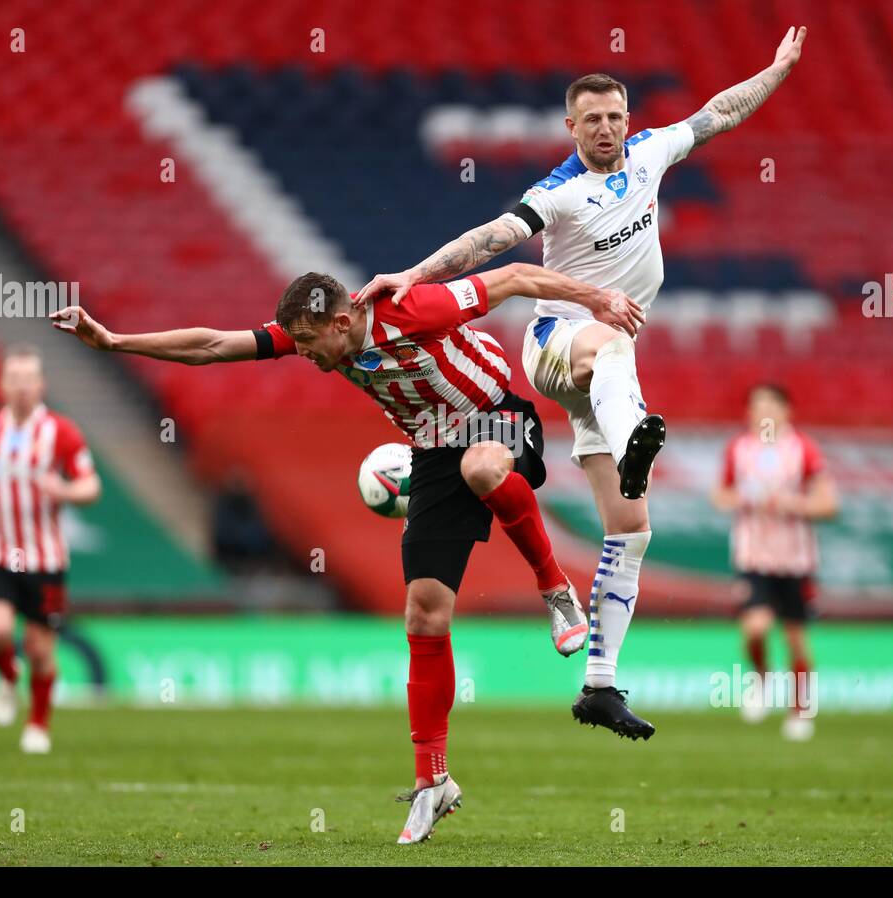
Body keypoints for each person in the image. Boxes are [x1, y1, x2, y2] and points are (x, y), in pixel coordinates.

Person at [51, 261, 641, 842]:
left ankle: (554, 588)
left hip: (497, 418)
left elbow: (514, 276)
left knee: (483, 466)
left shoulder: (410, 309)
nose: (303, 354)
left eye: (308, 343)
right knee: (424, 612)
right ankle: (433, 782)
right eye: (297, 343)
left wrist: (598, 300)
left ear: (340, 321)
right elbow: (212, 345)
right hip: (432, 452)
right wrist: (114, 341)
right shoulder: (316, 333)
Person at [357, 27, 809, 739]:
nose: (605, 128)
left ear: (628, 119)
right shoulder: (559, 193)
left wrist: (777, 69)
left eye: (615, 115)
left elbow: (719, 112)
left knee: (630, 529)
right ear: (570, 127)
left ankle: (599, 685)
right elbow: (493, 239)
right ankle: (636, 440)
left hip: (602, 375)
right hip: (557, 347)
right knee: (609, 342)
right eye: (590, 118)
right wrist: (413, 276)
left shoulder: (653, 152)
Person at [0, 343, 101, 754]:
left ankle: (37, 724)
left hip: (44, 559)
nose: (21, 387)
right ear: (1, 385)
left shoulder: (60, 432)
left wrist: (64, 490)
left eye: (29, 379)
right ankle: (6, 673)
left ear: (41, 384)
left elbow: (91, 485)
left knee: (40, 648)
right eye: (14, 379)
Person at [711, 384, 837, 741]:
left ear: (787, 412)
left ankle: (800, 711)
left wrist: (792, 504)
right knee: (755, 627)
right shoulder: (739, 449)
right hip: (753, 555)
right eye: (756, 406)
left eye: (770, 405)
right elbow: (720, 495)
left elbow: (829, 503)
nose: (763, 412)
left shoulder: (803, 450)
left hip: (795, 560)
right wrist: (744, 498)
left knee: (796, 638)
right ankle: (761, 678)